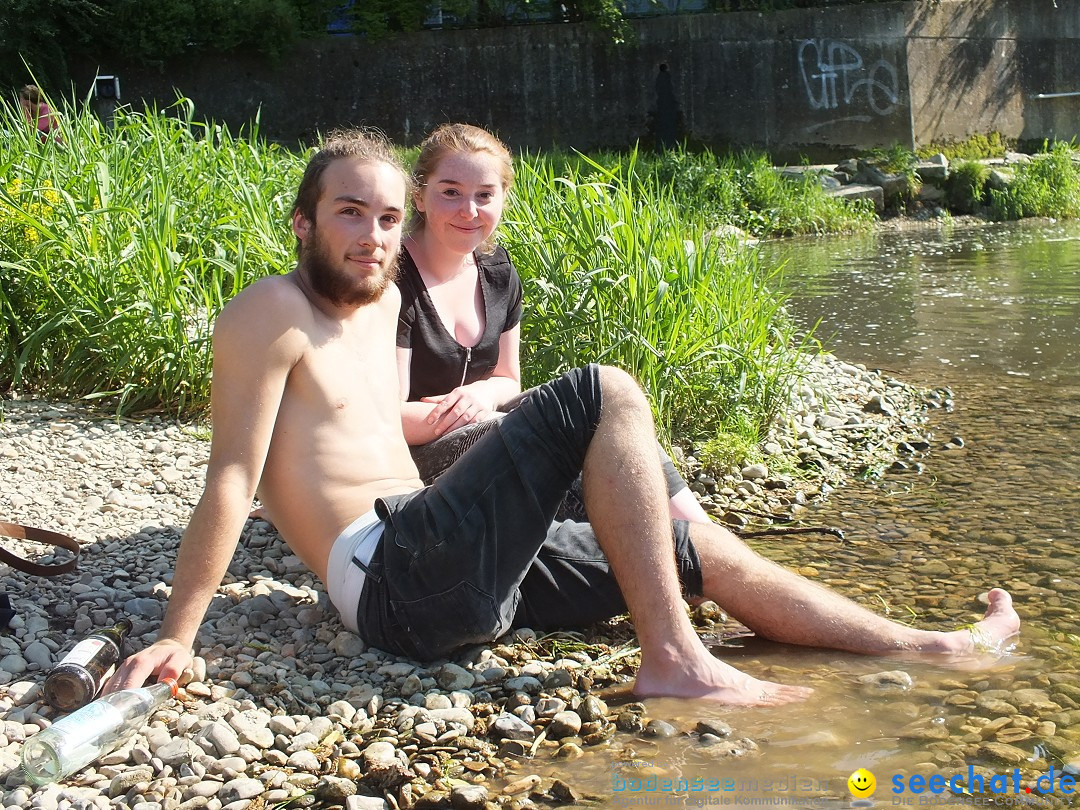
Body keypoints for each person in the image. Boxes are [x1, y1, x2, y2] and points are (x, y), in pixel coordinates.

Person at [107, 129, 1019, 705]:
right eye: (350, 214)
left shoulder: (385, 305)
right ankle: (674, 660)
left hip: (449, 567)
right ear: (304, 223)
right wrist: (179, 634)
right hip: (390, 579)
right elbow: (234, 474)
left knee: (681, 546)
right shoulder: (268, 310)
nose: (375, 236)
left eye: (388, 218)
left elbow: (395, 429)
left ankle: (930, 645)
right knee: (606, 387)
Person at [397, 122, 711, 524]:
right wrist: (478, 415)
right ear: (420, 196)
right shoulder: (393, 280)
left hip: (491, 425)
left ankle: (700, 535)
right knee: (547, 437)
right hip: (419, 459)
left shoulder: (498, 271)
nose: (469, 210)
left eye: (485, 195)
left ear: (503, 199)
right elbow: (385, 420)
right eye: (451, 192)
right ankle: (680, 555)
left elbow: (509, 379)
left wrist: (482, 395)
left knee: (601, 405)